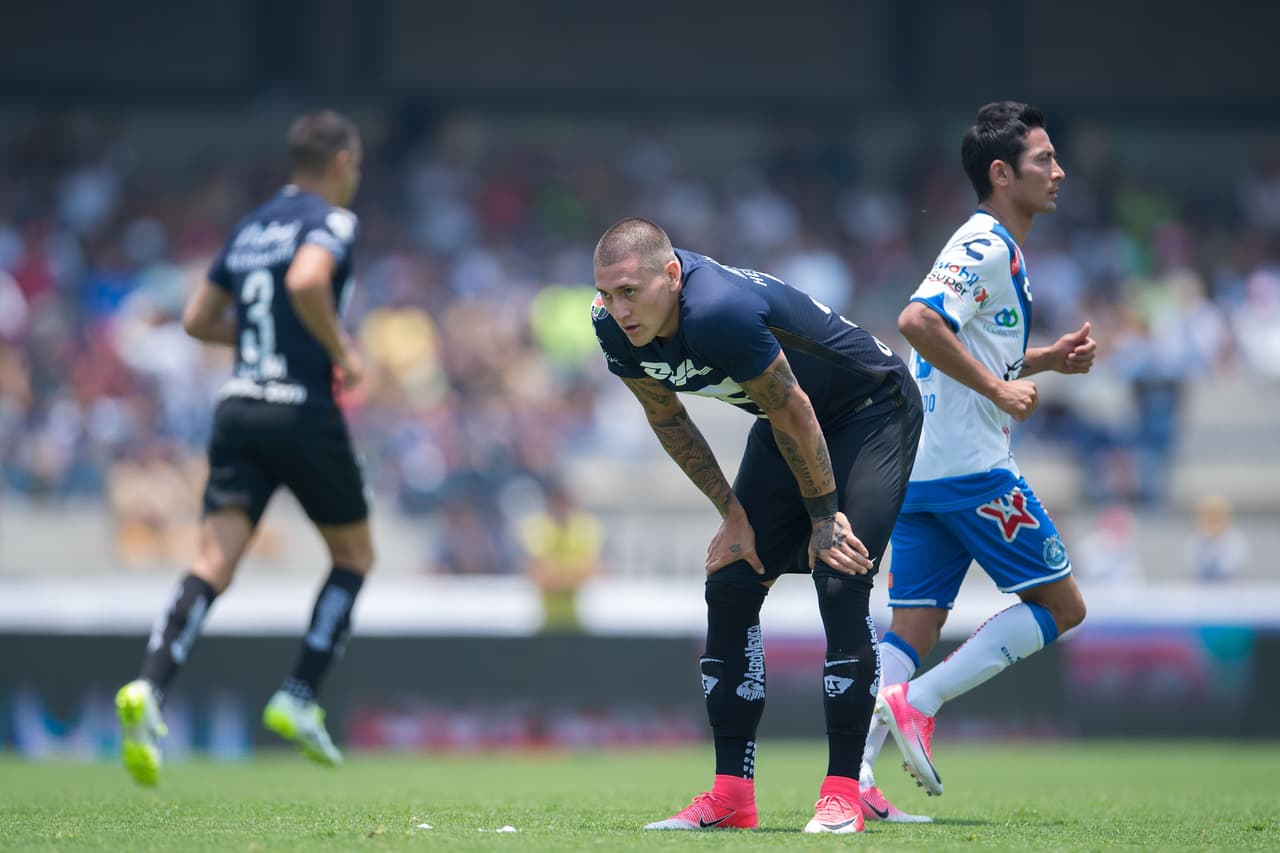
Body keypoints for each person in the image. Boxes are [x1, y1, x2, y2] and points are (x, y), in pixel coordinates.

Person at [591, 218, 922, 834]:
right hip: (786, 420)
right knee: (731, 579)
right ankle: (731, 795)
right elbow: (666, 418)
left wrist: (825, 519)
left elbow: (795, 407)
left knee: (839, 573)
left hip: (872, 410)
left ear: (671, 275)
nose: (618, 309)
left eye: (630, 292)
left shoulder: (717, 310)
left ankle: (844, 793)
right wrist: (732, 514)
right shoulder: (611, 324)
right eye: (607, 294)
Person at [115, 110, 373, 785]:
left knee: (211, 562)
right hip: (300, 410)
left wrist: (263, 340)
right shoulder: (332, 221)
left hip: (237, 409)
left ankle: (149, 685)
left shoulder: (251, 227)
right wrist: (339, 347)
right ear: (342, 162)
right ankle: (299, 693)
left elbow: (198, 319)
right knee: (354, 554)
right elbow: (307, 282)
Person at [862, 102, 1095, 808]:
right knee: (1061, 603)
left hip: (923, 465)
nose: (1059, 171)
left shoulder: (997, 247)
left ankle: (854, 779)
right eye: (1043, 160)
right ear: (1001, 173)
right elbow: (917, 321)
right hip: (971, 466)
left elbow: (958, 340)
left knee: (915, 623)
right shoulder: (987, 242)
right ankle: (921, 703)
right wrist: (999, 384)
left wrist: (1040, 360)